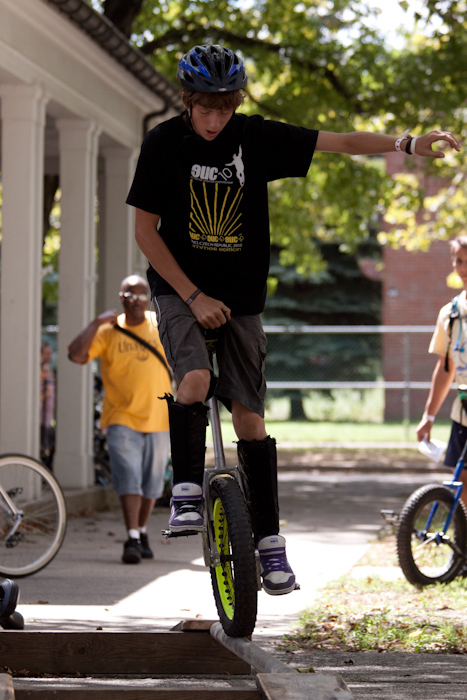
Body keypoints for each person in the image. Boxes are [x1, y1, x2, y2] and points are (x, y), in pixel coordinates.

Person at [126, 44, 461, 594]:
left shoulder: (254, 137)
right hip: (178, 289)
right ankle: (185, 488)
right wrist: (191, 296)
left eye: (224, 109)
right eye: (205, 110)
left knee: (251, 421)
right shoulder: (164, 142)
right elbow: (145, 232)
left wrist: (407, 144)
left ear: (236, 103)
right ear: (187, 102)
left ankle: (269, 546)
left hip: (242, 299)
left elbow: (342, 143)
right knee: (194, 379)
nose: (215, 121)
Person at [68, 275, 171, 564]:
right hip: (121, 417)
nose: (136, 300)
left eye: (141, 295)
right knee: (129, 480)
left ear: (147, 298)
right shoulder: (108, 330)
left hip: (160, 418)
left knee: (152, 484)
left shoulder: (159, 323)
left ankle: (140, 530)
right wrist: (95, 323)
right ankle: (132, 538)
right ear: (121, 297)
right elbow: (76, 356)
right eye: (130, 294)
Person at [417, 236, 467, 506]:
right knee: (462, 486)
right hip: (463, 413)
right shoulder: (450, 313)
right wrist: (429, 416)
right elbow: (445, 368)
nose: (463, 268)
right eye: (459, 260)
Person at [40, 342, 56, 470]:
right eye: (47, 353)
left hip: (48, 418)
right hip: (40, 418)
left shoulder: (48, 370)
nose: (49, 356)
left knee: (49, 446)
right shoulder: (40, 372)